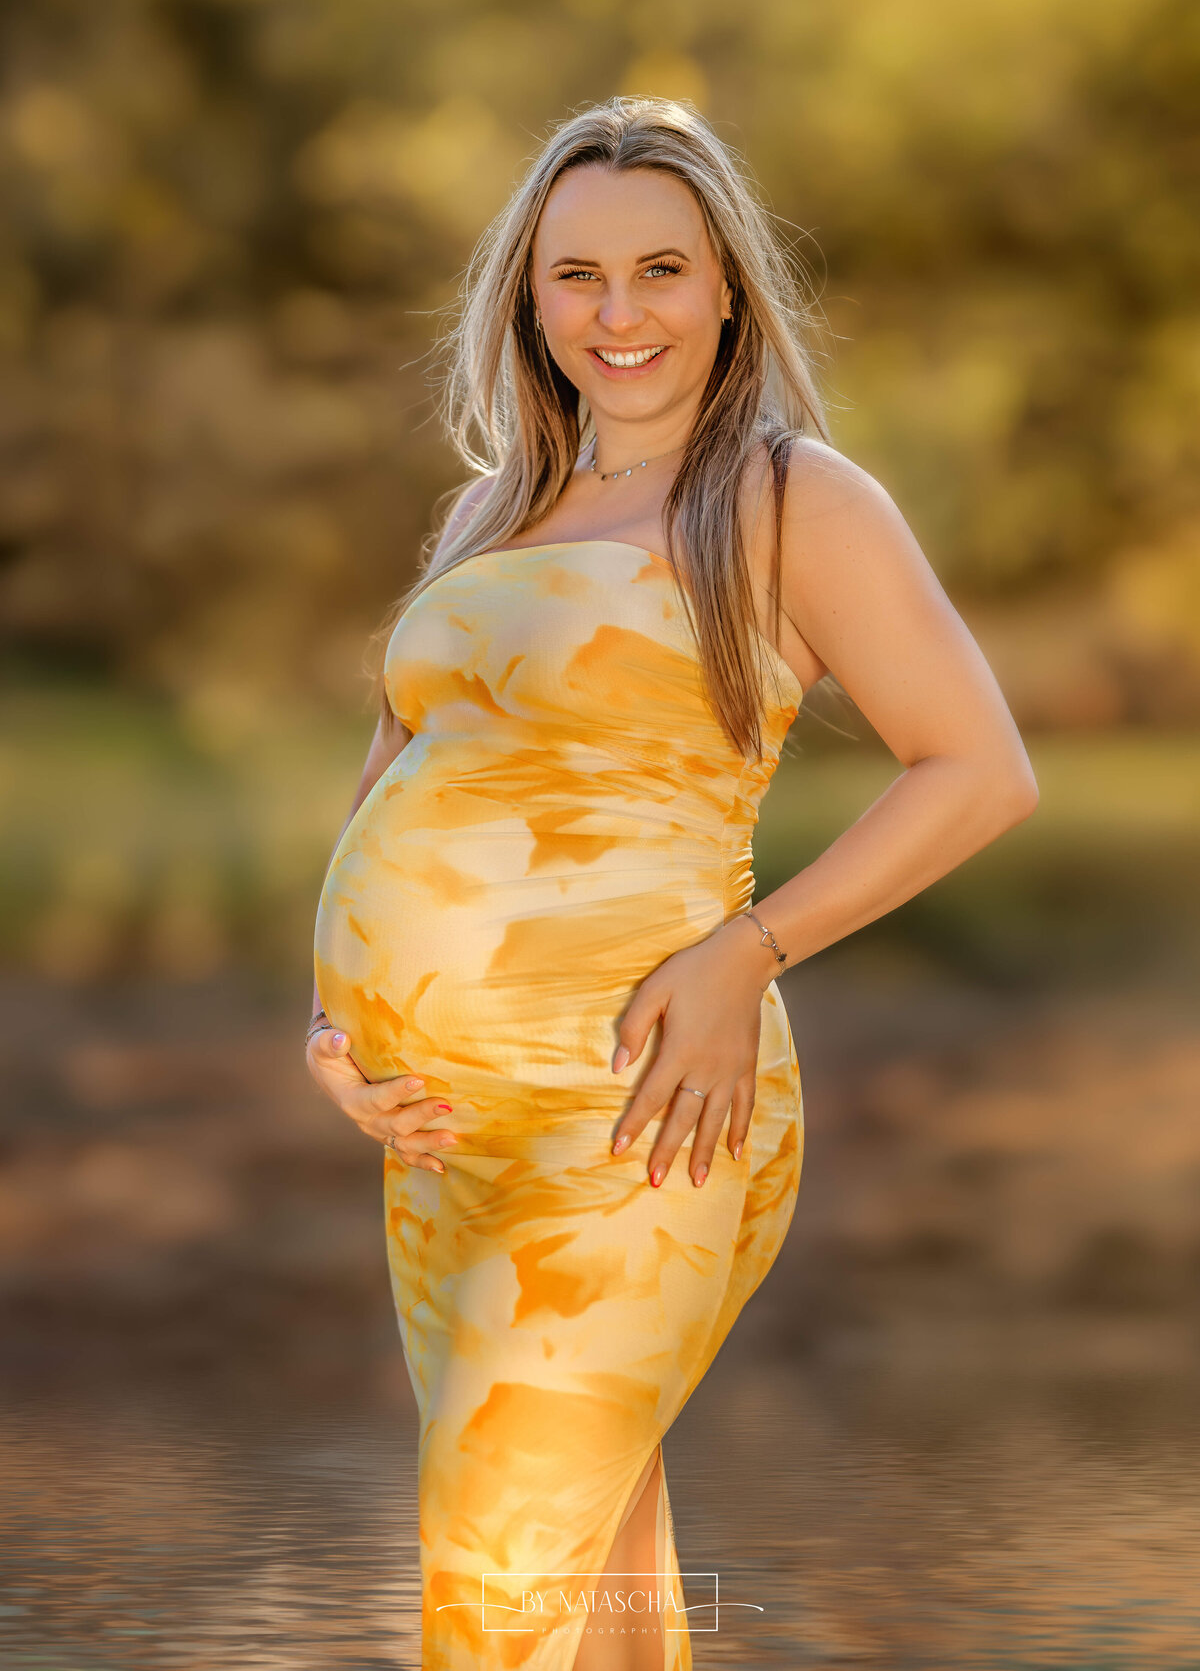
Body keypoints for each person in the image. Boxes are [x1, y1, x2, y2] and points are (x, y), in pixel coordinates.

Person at [305, 95, 1038, 1671]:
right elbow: (403, 763)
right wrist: (333, 1028)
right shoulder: (488, 508)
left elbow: (979, 769)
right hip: (443, 1138)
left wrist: (748, 951)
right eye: (577, 275)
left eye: (661, 270)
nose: (619, 313)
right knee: (596, 1585)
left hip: (641, 1112)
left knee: (495, 1582)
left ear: (725, 289)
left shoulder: (791, 499)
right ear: (530, 297)